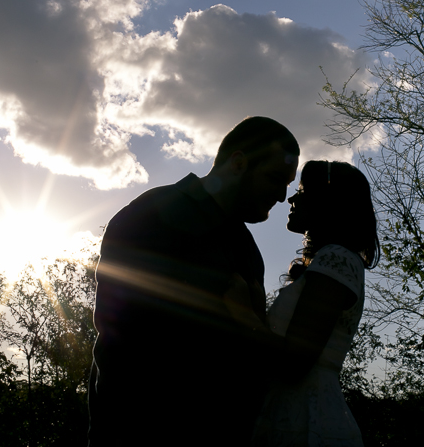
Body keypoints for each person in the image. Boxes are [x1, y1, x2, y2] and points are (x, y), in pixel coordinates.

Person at [87, 116, 300, 447]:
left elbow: (251, 354)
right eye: (276, 179)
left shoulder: (249, 251)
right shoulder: (152, 214)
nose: (283, 196)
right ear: (239, 162)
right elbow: (120, 339)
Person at [250, 160, 380, 447]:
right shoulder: (329, 261)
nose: (292, 198)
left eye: (302, 190)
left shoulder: (338, 258)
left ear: (328, 200)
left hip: (307, 422)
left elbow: (295, 363)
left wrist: (240, 312)